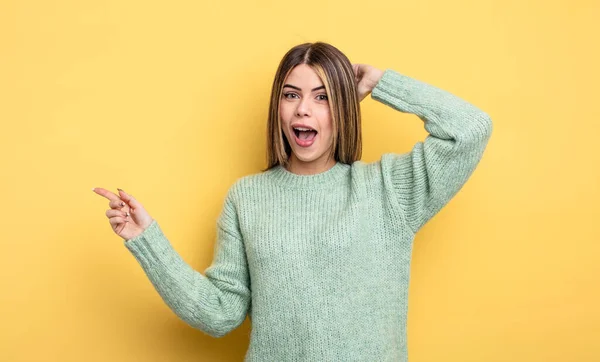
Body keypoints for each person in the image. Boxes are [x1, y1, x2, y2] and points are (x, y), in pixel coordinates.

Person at [93, 42, 493, 361]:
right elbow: (219, 313)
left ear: (344, 108)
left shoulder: (388, 190)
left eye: (322, 97)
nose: (303, 108)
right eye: (292, 95)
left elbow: (471, 129)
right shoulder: (247, 197)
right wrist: (147, 240)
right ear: (278, 108)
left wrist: (383, 83)